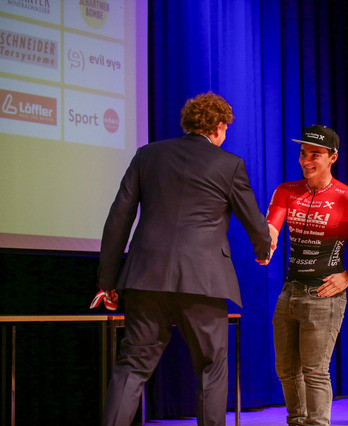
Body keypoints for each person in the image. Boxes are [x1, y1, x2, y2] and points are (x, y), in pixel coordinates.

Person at [96, 92, 272, 426]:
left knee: (133, 365)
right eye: (225, 129)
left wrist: (108, 282)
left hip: (145, 278)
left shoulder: (147, 155)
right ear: (218, 127)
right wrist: (263, 250)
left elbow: (118, 219)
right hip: (203, 280)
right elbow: (254, 222)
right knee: (211, 367)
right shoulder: (229, 164)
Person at [266, 124, 348, 425]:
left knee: (315, 371)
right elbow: (272, 225)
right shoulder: (286, 190)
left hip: (323, 297)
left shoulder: (347, 197)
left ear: (333, 157)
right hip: (290, 292)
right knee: (286, 370)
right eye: (303, 154)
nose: (306, 161)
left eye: (315, 155)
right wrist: (268, 241)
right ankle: (296, 421)